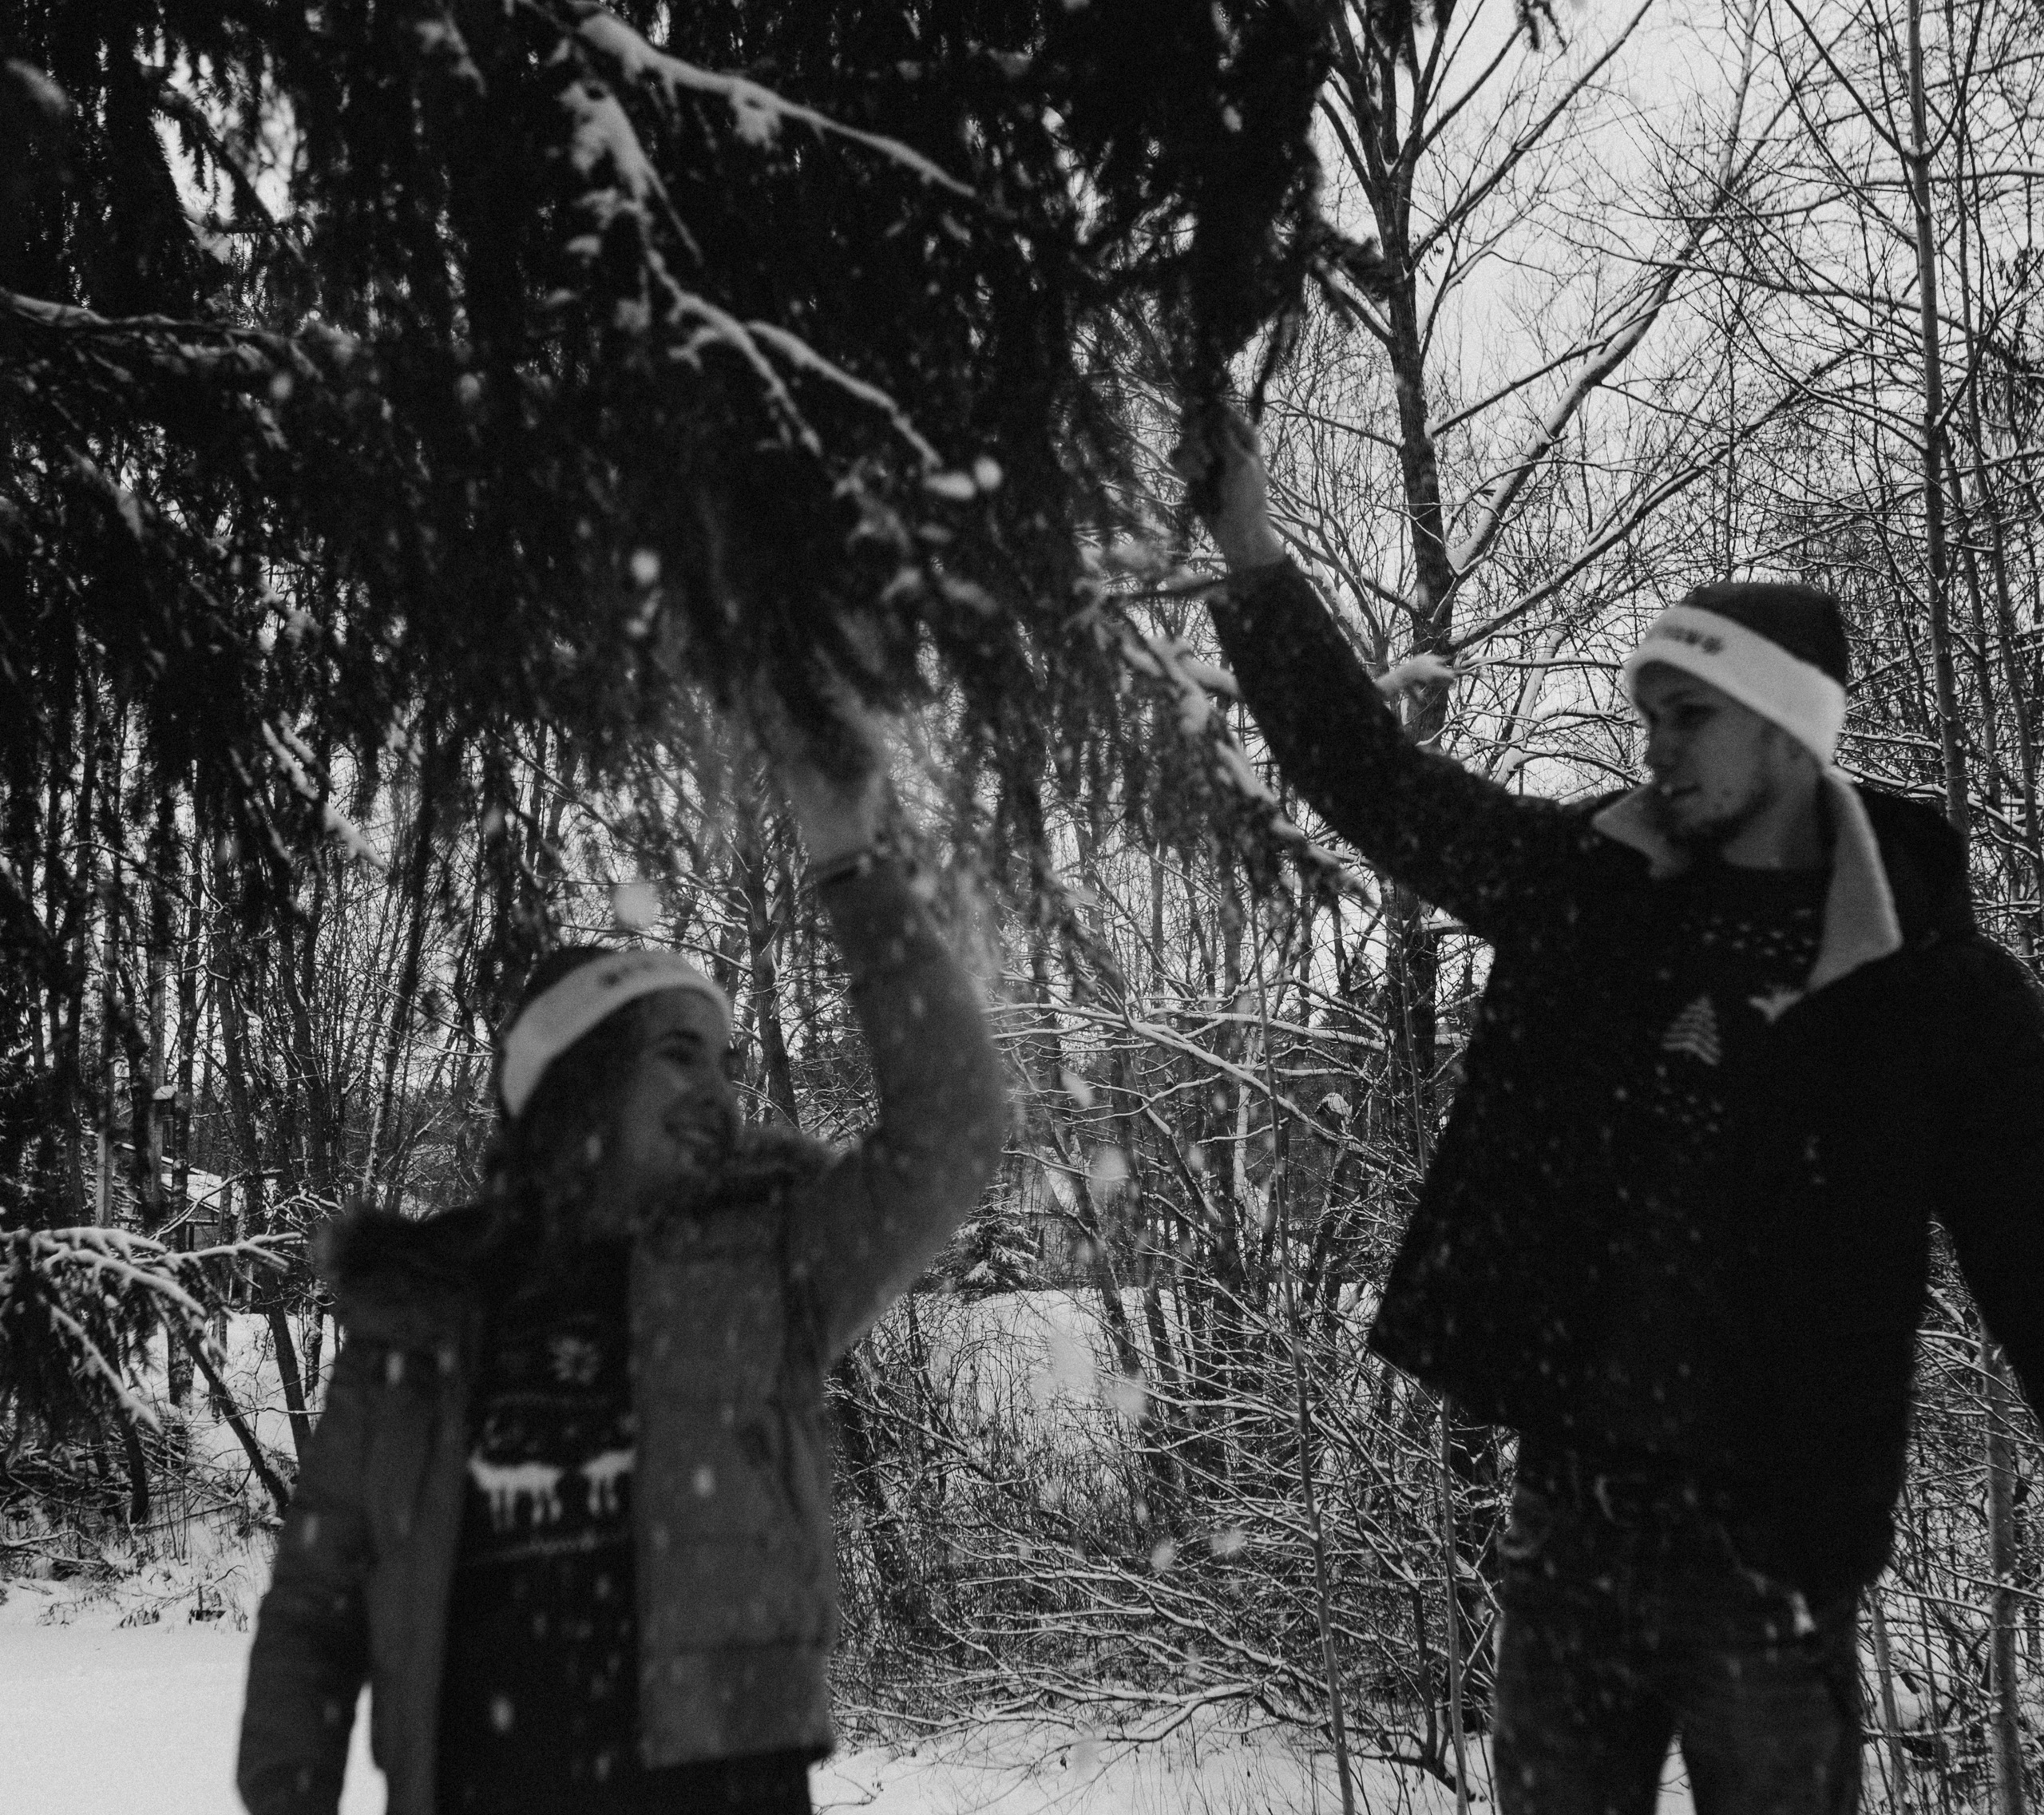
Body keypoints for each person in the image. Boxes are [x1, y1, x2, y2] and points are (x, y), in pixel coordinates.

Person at [1176, 406, 2044, 1815]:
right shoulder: (1592, 892)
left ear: (1791, 728)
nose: (1659, 748)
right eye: (1647, 717)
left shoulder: (1929, 989)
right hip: (1567, 1537)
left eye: (1691, 716)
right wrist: (1252, 554)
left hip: (1771, 1564)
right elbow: (1378, 786)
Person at [236, 698, 1006, 1815]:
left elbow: (953, 1125)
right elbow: (316, 1600)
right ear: (578, 1083)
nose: (719, 1092)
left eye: (729, 1062)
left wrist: (851, 858)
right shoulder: (422, 1306)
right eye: (677, 1055)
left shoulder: (768, 1265)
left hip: (721, 1789)